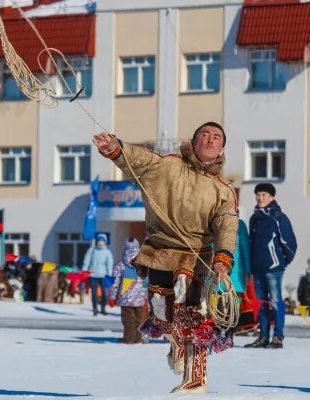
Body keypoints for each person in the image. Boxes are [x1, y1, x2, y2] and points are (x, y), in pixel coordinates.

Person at [93, 121, 238, 393]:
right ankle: (177, 345)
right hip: (159, 252)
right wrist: (116, 149)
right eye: (204, 135)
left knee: (193, 316)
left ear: (222, 148)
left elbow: (228, 226)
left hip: (197, 257)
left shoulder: (223, 190)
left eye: (216, 136)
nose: (209, 139)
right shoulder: (168, 166)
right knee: (162, 315)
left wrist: (223, 257)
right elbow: (141, 159)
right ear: (193, 143)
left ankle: (195, 380)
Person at [246, 183, 297, 349]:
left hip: (273, 268)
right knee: (261, 304)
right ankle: (263, 336)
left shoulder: (278, 217)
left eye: (264, 195)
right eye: (258, 195)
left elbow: (290, 244)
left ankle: (278, 337)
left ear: (271, 197)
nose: (260, 198)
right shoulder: (254, 218)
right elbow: (251, 244)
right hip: (257, 268)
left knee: (275, 302)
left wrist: (281, 262)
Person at [108, 237, 145, 344]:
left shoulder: (120, 265)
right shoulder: (143, 263)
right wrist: (148, 296)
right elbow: (147, 281)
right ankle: (137, 338)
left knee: (128, 320)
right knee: (139, 320)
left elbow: (114, 283)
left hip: (125, 298)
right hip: (140, 298)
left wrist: (112, 297)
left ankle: (128, 339)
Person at [82, 233, 114, 316]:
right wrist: (84, 271)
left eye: (102, 241)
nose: (100, 242)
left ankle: (103, 308)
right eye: (99, 240)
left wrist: (109, 275)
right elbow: (86, 262)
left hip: (103, 275)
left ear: (105, 242)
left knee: (104, 292)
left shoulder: (107, 252)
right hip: (92, 275)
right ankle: (95, 308)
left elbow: (109, 265)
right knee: (94, 293)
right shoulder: (92, 250)